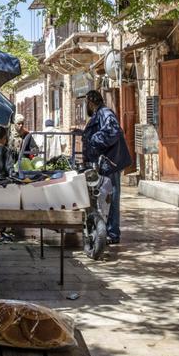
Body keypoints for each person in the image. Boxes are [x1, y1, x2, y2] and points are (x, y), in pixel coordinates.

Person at [79, 90, 132, 244]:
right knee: (105, 198)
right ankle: (105, 229)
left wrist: (93, 139)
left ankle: (112, 233)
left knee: (112, 198)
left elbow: (112, 132)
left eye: (86, 103)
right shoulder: (99, 114)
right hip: (104, 163)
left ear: (90, 102)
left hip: (111, 163)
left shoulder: (105, 113)